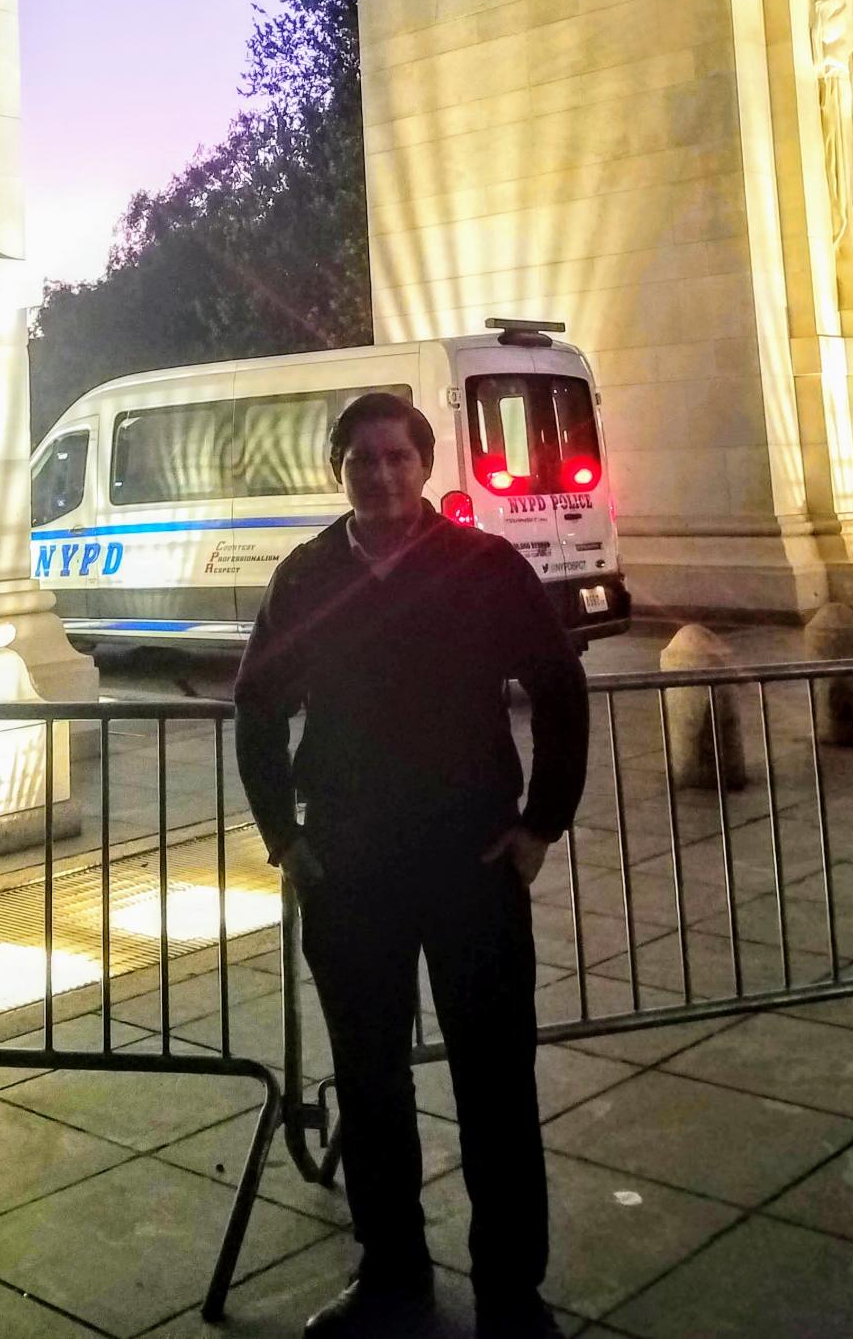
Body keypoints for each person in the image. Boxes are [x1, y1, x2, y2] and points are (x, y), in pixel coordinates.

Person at [234, 391, 589, 1338]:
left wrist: (540, 824)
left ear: (425, 465)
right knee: (370, 1078)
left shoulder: (483, 565)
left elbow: (559, 685)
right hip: (350, 868)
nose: (381, 473)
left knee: (496, 1083)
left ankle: (512, 1287)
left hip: (471, 858)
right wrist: (286, 838)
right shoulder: (304, 577)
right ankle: (392, 1272)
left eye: (397, 456)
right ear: (337, 470)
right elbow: (257, 708)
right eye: (362, 459)